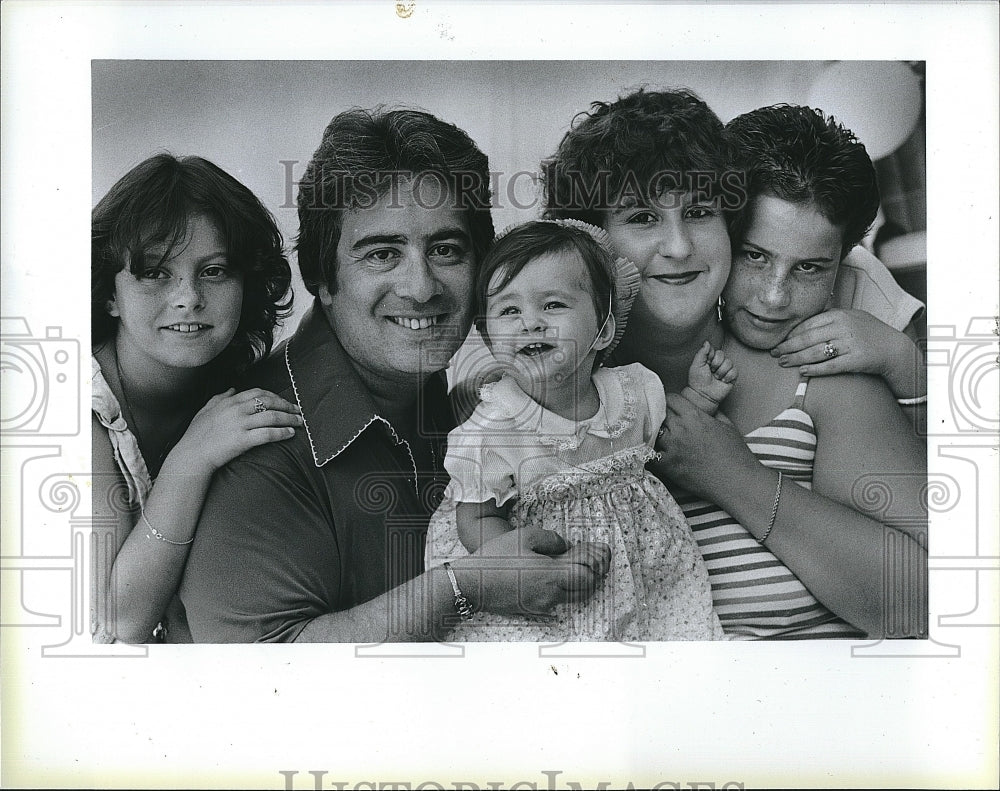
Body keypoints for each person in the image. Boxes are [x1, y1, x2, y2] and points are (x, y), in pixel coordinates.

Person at [179, 108, 611, 643]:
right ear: (322, 277)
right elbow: (257, 677)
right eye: (383, 254)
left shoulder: (475, 399)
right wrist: (464, 588)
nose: (421, 287)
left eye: (446, 250)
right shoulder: (259, 443)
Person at [544, 88, 927, 638]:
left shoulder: (820, 380)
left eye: (699, 212)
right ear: (590, 239)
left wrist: (734, 476)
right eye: (643, 216)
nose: (678, 247)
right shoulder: (548, 408)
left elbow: (922, 602)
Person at [426, 219, 731, 641]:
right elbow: (475, 517)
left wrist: (701, 400)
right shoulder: (493, 429)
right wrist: (531, 566)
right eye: (509, 310)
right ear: (491, 338)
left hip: (640, 574)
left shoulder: (633, 393)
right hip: (543, 585)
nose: (530, 323)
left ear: (603, 330)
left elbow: (665, 447)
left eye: (553, 305)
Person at [91, 153, 303, 643]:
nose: (188, 297)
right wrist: (193, 455)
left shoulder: (233, 385)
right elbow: (116, 624)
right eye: (156, 273)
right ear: (109, 295)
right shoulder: (79, 408)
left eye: (214, 271)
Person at [726, 104, 927, 431]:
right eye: (754, 256)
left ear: (845, 254)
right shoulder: (690, 269)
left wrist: (901, 360)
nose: (775, 296)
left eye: (807, 267)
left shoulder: (862, 279)